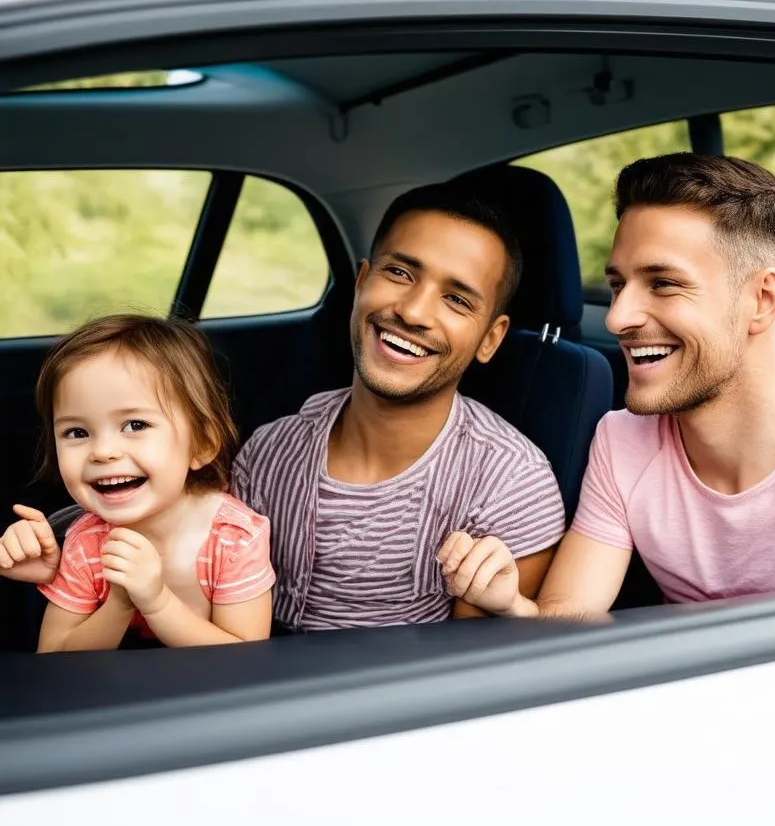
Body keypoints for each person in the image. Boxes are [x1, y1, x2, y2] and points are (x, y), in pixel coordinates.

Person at [439, 152, 775, 618]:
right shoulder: (621, 441)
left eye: (664, 283)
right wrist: (510, 605)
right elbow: (567, 623)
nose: (617, 318)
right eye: (616, 285)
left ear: (761, 300)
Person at [231, 182, 565, 631]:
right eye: (400, 274)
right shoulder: (268, 451)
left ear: (491, 338)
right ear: (361, 281)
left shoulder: (510, 483)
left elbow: (470, 673)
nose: (413, 311)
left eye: (457, 299)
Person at [0, 314, 276, 651]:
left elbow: (246, 661)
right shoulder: (87, 542)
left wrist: (157, 602)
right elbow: (54, 656)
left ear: (202, 444)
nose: (102, 452)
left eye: (135, 425)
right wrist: (120, 603)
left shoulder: (235, 539)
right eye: (77, 432)